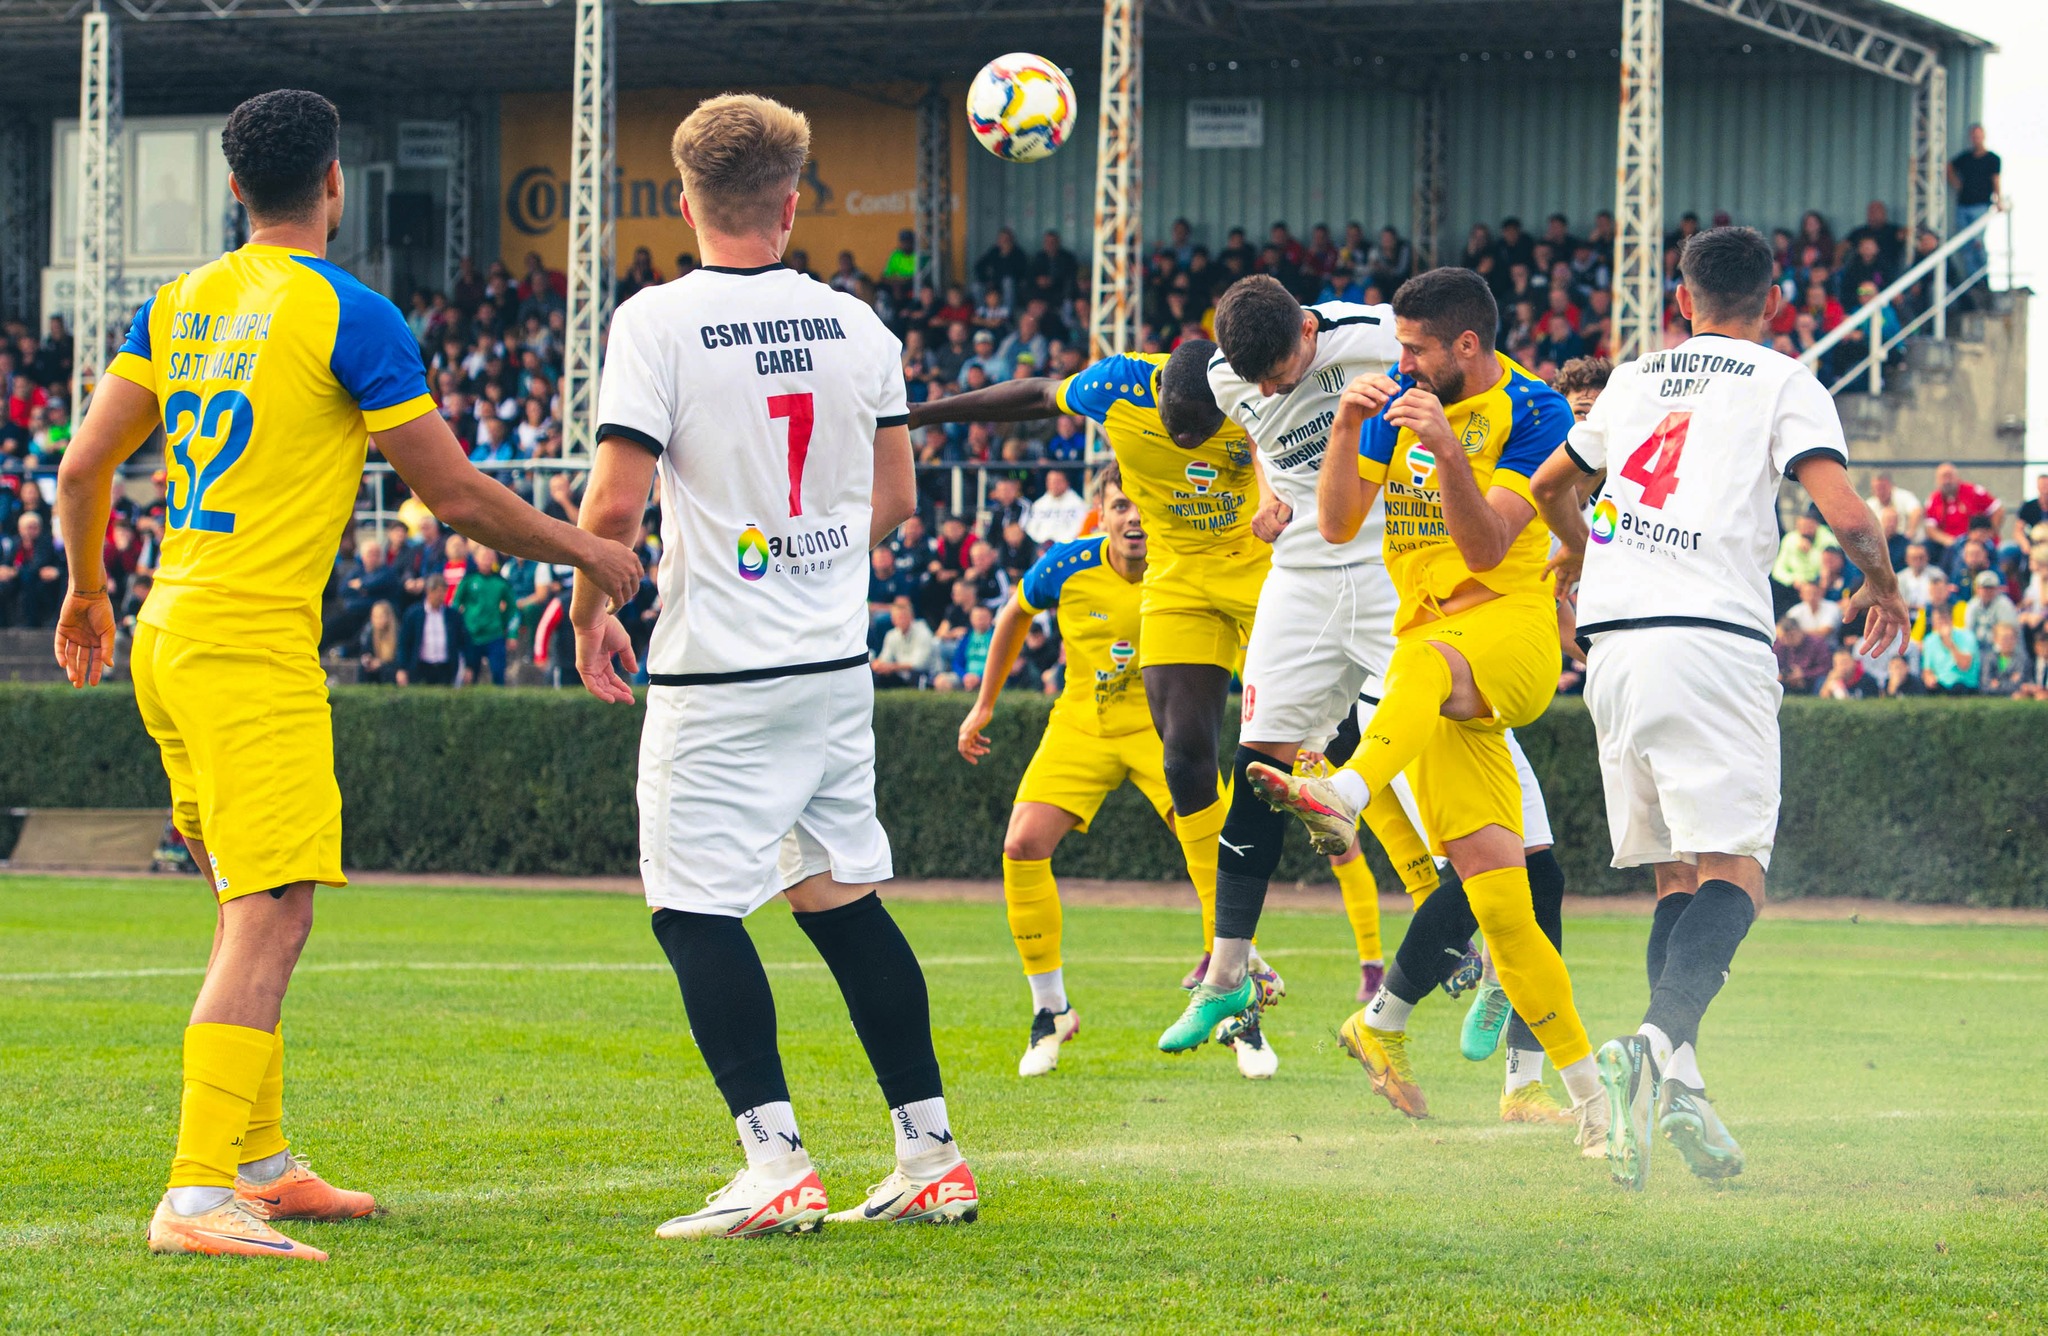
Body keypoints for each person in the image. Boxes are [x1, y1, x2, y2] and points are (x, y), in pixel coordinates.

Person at [52, 88, 641, 1262]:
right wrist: (588, 548)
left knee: (243, 905)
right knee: (273, 912)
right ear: (333, 184)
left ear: (234, 190)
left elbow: (80, 468)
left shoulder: (174, 301)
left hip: (167, 628)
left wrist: (85, 591)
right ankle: (194, 1194)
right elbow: (453, 495)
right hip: (248, 646)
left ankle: (259, 1164)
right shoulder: (351, 312)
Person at [564, 93, 976, 1237]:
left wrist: (592, 607)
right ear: (791, 206)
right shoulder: (860, 327)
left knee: (690, 907)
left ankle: (775, 1162)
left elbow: (614, 504)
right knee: (841, 901)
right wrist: (814, 555)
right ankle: (930, 1154)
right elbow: (894, 497)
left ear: (684, 203)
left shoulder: (655, 321)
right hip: (831, 665)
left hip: (718, 669)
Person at [1529, 225, 1908, 1189]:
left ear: (1681, 301)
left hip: (1615, 649)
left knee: (1678, 875)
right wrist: (1884, 585)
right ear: (1773, 302)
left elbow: (1547, 486)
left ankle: (1683, 1086)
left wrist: (1581, 555)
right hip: (1710, 641)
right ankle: (1650, 1047)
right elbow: (1848, 515)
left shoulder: (1630, 381)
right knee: (1738, 869)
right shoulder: (1784, 380)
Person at [1250, 267, 1609, 1157]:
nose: (1399, 360)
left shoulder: (1533, 411)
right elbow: (1337, 525)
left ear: (1467, 346)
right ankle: (1592, 1103)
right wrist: (1345, 425)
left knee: (1415, 661)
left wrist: (1448, 451)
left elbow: (1487, 549)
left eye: (1414, 348)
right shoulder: (1394, 406)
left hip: (1508, 635)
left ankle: (1346, 792)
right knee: (1507, 909)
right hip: (1430, 666)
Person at [1197, 275, 1508, 1062]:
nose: (1270, 391)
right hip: (1300, 575)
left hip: (1387, 568)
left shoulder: (1374, 336)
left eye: (1281, 374)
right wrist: (1266, 493)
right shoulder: (1227, 375)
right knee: (1258, 762)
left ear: (1309, 330)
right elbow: (1260, 433)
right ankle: (1227, 973)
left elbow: (1476, 386)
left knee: (1452, 770)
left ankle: (1503, 954)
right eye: (1259, 383)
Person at [907, 340, 1269, 994]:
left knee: (1290, 759)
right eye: (1175, 430)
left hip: (1250, 570)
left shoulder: (1255, 394)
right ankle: (1068, 1003)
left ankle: (1240, 958)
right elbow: (1037, 392)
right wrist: (926, 412)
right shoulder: (1117, 389)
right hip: (1116, 680)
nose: (1187, 443)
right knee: (1157, 776)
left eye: (1199, 433)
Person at [957, 466, 1271, 1078]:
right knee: (1022, 844)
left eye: (1141, 504)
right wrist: (984, 704)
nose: (1133, 517)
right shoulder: (1067, 565)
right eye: (1120, 505)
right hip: (1082, 726)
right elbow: (1013, 614)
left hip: (1164, 732)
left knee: (1214, 852)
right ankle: (1050, 1010)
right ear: (1099, 515)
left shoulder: (1188, 564)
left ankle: (1239, 1011)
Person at [453, 546, 516, 685]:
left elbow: (512, 609)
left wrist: (511, 632)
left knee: (498, 674)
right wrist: (458, 627)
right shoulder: (468, 580)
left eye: (489, 558)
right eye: (483, 557)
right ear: (476, 559)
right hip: (471, 634)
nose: (487, 561)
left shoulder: (501, 582)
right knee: (470, 675)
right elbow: (455, 604)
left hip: (494, 633)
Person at [1947, 123, 2001, 282]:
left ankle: (1983, 278)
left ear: (1983, 136)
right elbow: (1948, 167)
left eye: (1978, 135)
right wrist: (1956, 184)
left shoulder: (1992, 159)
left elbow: (1996, 180)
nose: (1976, 139)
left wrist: (1998, 199)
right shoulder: (1965, 158)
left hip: (1981, 205)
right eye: (1973, 136)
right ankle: (1973, 282)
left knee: (1978, 243)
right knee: (1967, 246)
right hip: (1963, 205)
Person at [871, 596, 935, 688]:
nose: (901, 620)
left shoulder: (923, 632)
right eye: (897, 617)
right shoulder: (891, 635)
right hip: (901, 673)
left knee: (915, 675)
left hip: (926, 673)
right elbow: (885, 658)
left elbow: (919, 664)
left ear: (911, 617)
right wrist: (878, 665)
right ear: (893, 620)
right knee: (878, 675)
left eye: (903, 617)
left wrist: (892, 667)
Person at [1024, 467, 1087, 545]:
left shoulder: (1078, 504)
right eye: (1050, 481)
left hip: (1066, 546)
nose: (1054, 485)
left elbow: (1078, 529)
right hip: (1041, 546)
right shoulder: (1039, 504)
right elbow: (1031, 528)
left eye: (1058, 481)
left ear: (1067, 482)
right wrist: (1043, 542)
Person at [355, 599, 400, 684]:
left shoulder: (398, 634)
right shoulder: (370, 633)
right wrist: (367, 659)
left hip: (391, 669)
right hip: (375, 668)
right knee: (363, 668)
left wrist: (381, 664)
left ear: (388, 617)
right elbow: (365, 651)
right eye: (374, 616)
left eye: (380, 616)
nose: (376, 620)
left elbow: (399, 660)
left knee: (386, 670)